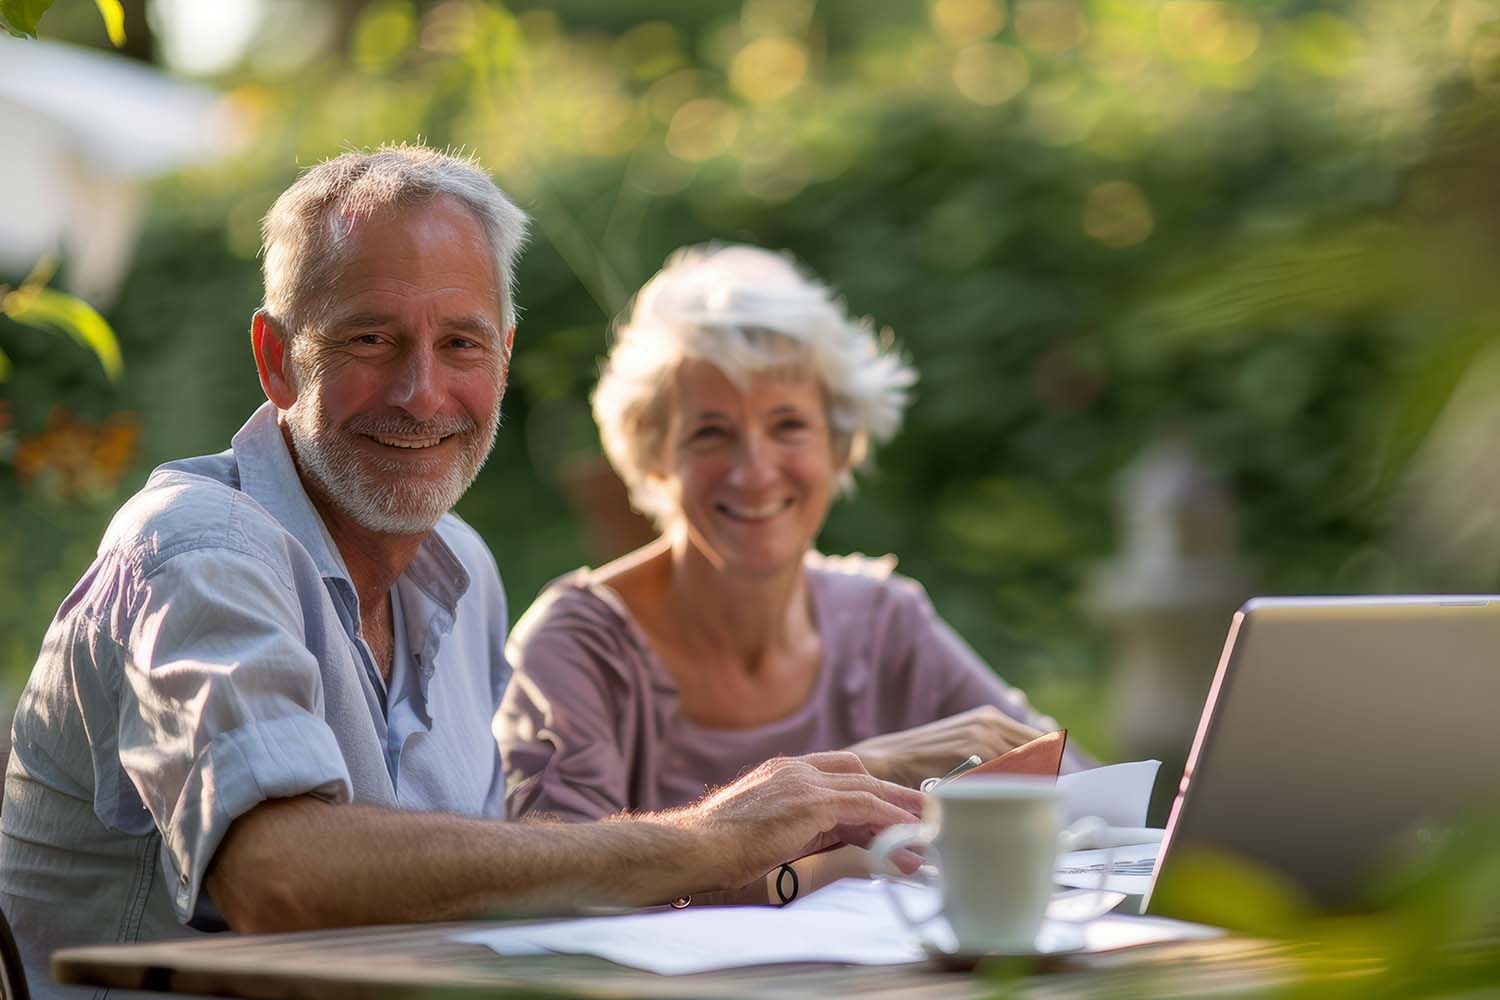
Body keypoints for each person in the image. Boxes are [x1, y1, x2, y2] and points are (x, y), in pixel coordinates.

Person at [0, 147, 923, 999]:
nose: (422, 393)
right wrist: (710, 837)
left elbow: (482, 894)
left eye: (461, 344)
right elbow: (282, 878)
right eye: (370, 340)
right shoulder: (199, 550)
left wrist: (799, 846)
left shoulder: (463, 570)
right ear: (277, 360)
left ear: (506, 355)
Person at [498, 244, 1087, 827]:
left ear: (841, 447)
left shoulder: (883, 623)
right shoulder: (578, 645)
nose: (754, 471)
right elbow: (555, 876)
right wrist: (864, 769)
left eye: (788, 426)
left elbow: (1082, 793)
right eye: (710, 433)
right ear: (653, 458)